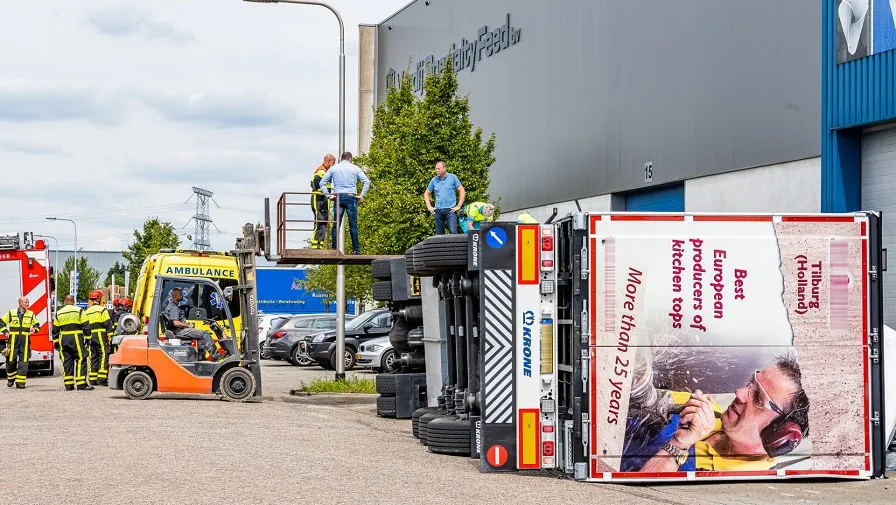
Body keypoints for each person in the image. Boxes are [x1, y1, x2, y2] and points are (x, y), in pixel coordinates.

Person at [627, 356, 810, 472]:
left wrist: (679, 445)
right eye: (750, 384)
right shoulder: (702, 407)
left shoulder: (736, 490)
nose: (739, 393)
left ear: (778, 435)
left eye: (758, 398)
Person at [319, 151, 370, 254]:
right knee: (353, 225)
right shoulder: (355, 168)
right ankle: (355, 249)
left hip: (338, 197)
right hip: (351, 197)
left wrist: (328, 195)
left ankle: (334, 249)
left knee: (336, 224)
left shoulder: (334, 168)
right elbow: (366, 181)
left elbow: (322, 183)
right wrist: (361, 195)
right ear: (350, 159)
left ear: (341, 159)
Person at [164, 288, 222, 362]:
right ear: (175, 297)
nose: (182, 296)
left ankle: (201, 358)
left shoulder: (172, 306)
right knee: (204, 334)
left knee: (201, 336)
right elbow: (176, 323)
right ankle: (215, 355)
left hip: (177, 330)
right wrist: (188, 326)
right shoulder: (174, 307)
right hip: (178, 331)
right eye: (180, 295)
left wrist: (187, 324)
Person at [52, 295, 92, 391]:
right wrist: (88, 338)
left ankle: (68, 385)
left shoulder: (59, 313)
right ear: (73, 301)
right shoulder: (79, 311)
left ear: (65, 301)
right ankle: (81, 384)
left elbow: (55, 329)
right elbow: (85, 325)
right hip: (76, 338)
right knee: (81, 359)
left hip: (64, 339)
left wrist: (56, 342)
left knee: (67, 361)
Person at [0, 297, 41, 389]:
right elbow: (1, 322)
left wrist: (35, 329)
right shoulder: (11, 313)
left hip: (25, 341)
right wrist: (5, 331)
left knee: (24, 361)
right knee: (10, 360)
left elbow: (37, 325)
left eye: (28, 302)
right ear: (20, 304)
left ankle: (20, 382)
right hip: (13, 341)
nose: (28, 304)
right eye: (26, 302)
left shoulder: (31, 314)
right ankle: (11, 379)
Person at [424, 161, 465, 234]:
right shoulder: (434, 180)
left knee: (453, 232)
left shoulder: (453, 177)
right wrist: (429, 206)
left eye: (438, 169)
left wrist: (459, 206)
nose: (436, 170)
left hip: (450, 210)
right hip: (438, 210)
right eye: (436, 169)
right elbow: (426, 193)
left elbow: (461, 190)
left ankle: (453, 246)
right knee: (439, 234)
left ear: (444, 168)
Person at [84, 290, 113, 387]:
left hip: (90, 336)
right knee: (103, 355)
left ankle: (92, 379)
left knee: (93, 357)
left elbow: (85, 325)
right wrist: (110, 337)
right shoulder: (102, 310)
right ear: (98, 298)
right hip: (100, 334)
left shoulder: (86, 311)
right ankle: (102, 379)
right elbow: (107, 324)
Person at [310, 154, 336, 249]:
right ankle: (316, 246)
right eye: (333, 162)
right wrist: (328, 195)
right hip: (319, 200)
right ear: (328, 161)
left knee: (323, 222)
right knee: (320, 221)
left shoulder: (324, 171)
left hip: (323, 200)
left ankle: (319, 245)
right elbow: (316, 184)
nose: (333, 165)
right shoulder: (321, 171)